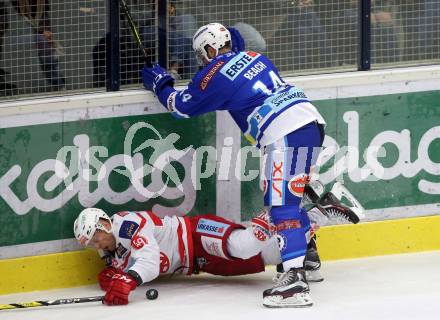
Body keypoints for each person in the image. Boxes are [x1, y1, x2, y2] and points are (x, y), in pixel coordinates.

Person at [141, 23, 327, 307]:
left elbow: (180, 106)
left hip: (283, 134)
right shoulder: (256, 57)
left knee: (281, 207)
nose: (202, 61)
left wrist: (160, 83)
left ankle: (295, 280)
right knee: (288, 198)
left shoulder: (213, 74)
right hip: (309, 123)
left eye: (202, 54)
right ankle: (308, 255)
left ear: (209, 48)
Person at [74, 204, 360, 306]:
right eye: (91, 243)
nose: (97, 244)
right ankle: (312, 222)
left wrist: (130, 279)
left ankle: (281, 209)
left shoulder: (127, 223)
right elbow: (130, 269)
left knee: (244, 246)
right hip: (198, 262)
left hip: (196, 233)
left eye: (96, 236)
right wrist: (116, 277)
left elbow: (148, 260)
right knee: (269, 255)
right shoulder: (111, 251)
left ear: (105, 223)